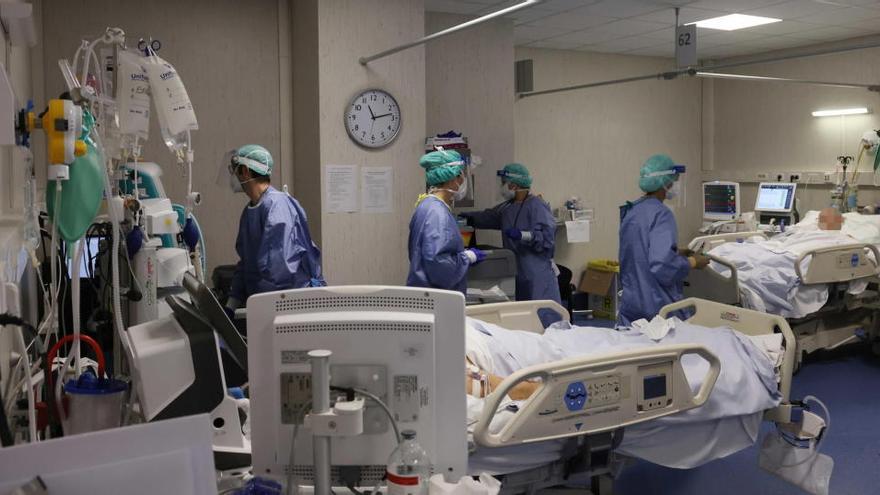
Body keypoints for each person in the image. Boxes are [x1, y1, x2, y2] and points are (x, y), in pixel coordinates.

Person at [223, 144, 324, 317]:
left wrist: (260, 308)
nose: (233, 176)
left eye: (235, 170)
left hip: (292, 305)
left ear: (245, 171)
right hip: (269, 302)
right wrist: (231, 304)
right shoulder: (251, 210)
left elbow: (280, 269)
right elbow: (247, 263)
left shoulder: (277, 206)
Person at [617, 154, 708, 326]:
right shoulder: (662, 214)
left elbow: (638, 251)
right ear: (665, 183)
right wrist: (692, 262)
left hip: (632, 301)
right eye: (674, 181)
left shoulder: (633, 211)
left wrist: (676, 251)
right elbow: (662, 265)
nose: (675, 185)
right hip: (655, 304)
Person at [460, 163, 561, 304]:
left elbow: (546, 239)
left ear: (514, 185)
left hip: (536, 271)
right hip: (517, 268)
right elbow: (489, 217)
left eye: (503, 183)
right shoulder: (507, 207)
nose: (501, 186)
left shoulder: (537, 206)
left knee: (542, 313)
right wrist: (466, 218)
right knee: (520, 314)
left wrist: (523, 235)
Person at [407, 149, 485, 295]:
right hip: (437, 298)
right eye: (461, 175)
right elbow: (439, 265)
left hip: (424, 292)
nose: (463, 181)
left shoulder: (427, 205)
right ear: (452, 178)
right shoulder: (438, 213)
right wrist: (467, 258)